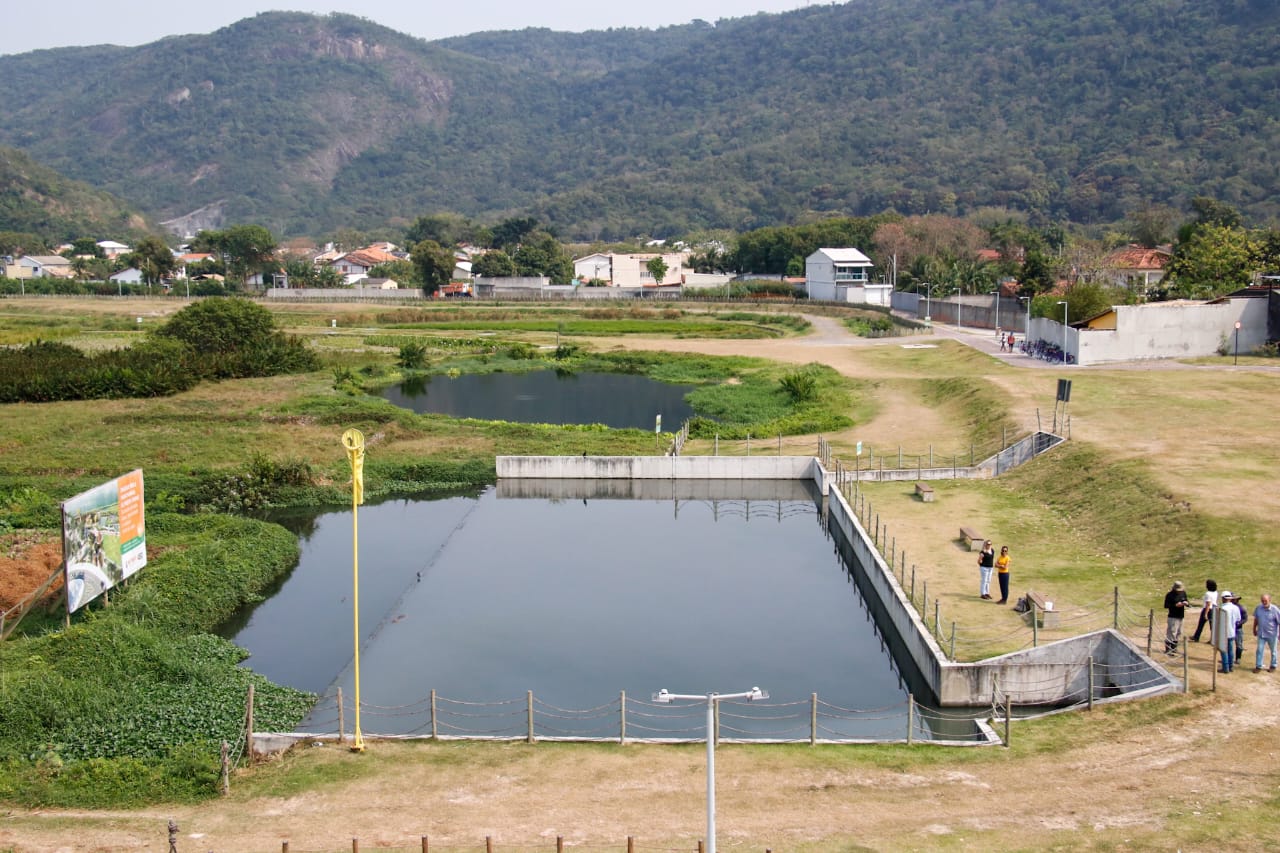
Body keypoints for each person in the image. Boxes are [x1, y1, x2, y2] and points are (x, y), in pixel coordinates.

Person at [1214, 591, 1241, 673]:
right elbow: (1238, 619)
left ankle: (1226, 668)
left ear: (1223, 598)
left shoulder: (1222, 608)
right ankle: (1231, 666)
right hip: (1232, 631)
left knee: (1223, 650)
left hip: (1223, 632)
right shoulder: (1235, 608)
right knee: (1230, 650)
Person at [1253, 593, 1280, 673]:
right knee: (1259, 650)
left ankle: (1273, 665)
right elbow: (1256, 619)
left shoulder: (1275, 610)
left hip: (1272, 634)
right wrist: (1254, 629)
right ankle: (1258, 666)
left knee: (1273, 651)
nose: (1264, 602)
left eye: (1265, 601)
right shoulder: (1258, 608)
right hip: (1261, 633)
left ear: (1269, 600)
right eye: (1262, 601)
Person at [1163, 581, 1189, 654]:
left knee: (1179, 632)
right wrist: (1175, 605)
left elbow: (1186, 600)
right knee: (1171, 632)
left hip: (1181, 616)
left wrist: (1186, 603)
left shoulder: (1183, 593)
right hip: (1173, 616)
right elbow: (1166, 605)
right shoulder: (1169, 595)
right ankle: (1168, 648)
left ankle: (1174, 647)